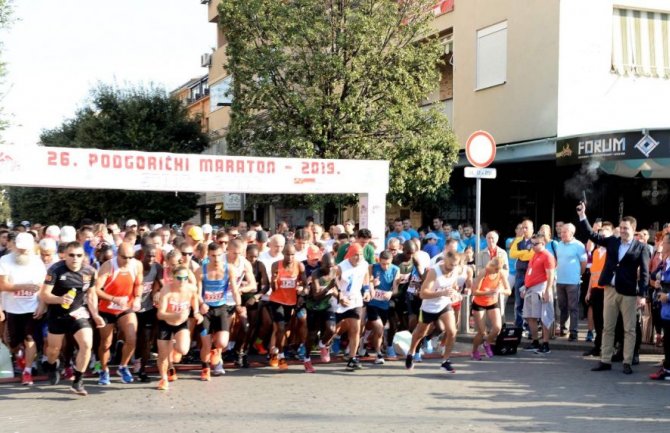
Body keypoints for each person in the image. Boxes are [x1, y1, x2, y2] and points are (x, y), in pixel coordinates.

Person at [578, 203, 650, 375]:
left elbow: (646, 273)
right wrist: (583, 216)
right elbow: (591, 234)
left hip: (629, 293)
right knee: (607, 327)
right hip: (610, 290)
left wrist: (642, 295)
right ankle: (605, 360)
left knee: (629, 329)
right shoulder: (612, 241)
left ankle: (627, 361)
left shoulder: (642, 248)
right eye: (621, 228)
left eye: (626, 228)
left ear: (634, 229)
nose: (623, 231)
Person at [40, 241, 103, 396]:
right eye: (71, 255)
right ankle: (52, 365)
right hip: (57, 314)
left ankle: (78, 381)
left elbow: (91, 294)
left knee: (87, 343)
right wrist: (60, 299)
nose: (75, 258)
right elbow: (44, 295)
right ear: (64, 256)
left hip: (77, 312)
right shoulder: (55, 270)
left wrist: (95, 315)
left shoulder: (90, 271)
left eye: (79, 255)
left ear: (83, 256)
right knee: (53, 350)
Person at [0, 233, 47, 385]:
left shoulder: (37, 262)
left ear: (32, 247)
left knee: (30, 338)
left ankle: (27, 371)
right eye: (20, 249)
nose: (22, 252)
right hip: (12, 308)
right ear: (14, 246)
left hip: (32, 307)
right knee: (12, 342)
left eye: (26, 249)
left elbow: (43, 288)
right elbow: (2, 285)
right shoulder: (5, 261)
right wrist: (22, 287)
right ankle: (18, 354)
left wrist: (42, 305)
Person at [94, 242, 144, 385]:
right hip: (106, 308)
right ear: (117, 255)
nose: (127, 261)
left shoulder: (136, 265)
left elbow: (138, 284)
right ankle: (103, 370)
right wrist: (114, 298)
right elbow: (96, 290)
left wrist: (138, 298)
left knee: (132, 338)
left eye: (130, 257)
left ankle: (123, 366)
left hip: (125, 307)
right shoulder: (108, 266)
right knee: (105, 344)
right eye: (124, 257)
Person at [405, 251, 459, 373]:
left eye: (455, 265)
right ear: (445, 261)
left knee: (452, 331)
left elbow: (454, 285)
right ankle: (411, 353)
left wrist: (455, 292)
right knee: (420, 333)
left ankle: (445, 361)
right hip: (428, 307)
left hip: (444, 304)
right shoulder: (434, 272)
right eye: (450, 265)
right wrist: (442, 293)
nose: (452, 268)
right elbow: (423, 294)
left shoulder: (455, 270)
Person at [195, 242, 239, 380]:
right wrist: (201, 304)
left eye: (219, 255)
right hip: (206, 310)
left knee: (222, 343)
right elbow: (196, 292)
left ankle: (215, 351)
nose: (217, 259)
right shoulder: (201, 270)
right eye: (213, 256)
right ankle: (205, 368)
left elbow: (235, 290)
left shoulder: (229, 269)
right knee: (205, 344)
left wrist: (239, 305)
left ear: (223, 254)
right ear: (208, 255)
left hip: (221, 308)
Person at [156, 265, 203, 391]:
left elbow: (194, 299)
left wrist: (197, 312)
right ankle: (164, 378)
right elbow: (160, 315)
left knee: (183, 350)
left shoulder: (191, 288)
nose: (182, 281)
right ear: (172, 277)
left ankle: (174, 345)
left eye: (185, 278)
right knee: (163, 355)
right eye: (179, 278)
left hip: (181, 324)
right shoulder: (166, 290)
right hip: (166, 323)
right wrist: (175, 314)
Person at [268, 244, 307, 370]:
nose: (290, 257)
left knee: (285, 330)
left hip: (291, 302)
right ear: (283, 254)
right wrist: (273, 281)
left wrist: (302, 292)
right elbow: (273, 289)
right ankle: (281, 356)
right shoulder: (276, 265)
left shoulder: (299, 266)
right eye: (287, 254)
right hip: (277, 301)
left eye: (292, 254)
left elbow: (305, 284)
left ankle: (274, 353)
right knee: (280, 328)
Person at [334, 243, 370, 371]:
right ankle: (325, 343)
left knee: (356, 329)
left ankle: (352, 358)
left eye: (360, 254)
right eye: (356, 255)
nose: (358, 257)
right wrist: (340, 297)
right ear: (349, 255)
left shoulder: (364, 264)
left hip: (355, 300)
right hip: (340, 300)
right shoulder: (341, 267)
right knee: (332, 330)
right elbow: (332, 283)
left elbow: (365, 276)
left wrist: (366, 290)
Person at [471, 257, 511, 360]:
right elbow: (475, 292)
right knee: (481, 332)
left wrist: (500, 290)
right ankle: (474, 350)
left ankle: (487, 343)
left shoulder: (500, 273)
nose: (497, 271)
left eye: (499, 269)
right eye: (496, 269)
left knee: (497, 328)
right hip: (479, 303)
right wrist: (488, 292)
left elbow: (508, 291)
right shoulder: (484, 272)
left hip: (492, 302)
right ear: (492, 266)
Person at [522, 233, 555, 354]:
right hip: (530, 289)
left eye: (536, 244)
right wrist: (525, 287)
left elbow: (550, 275)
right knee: (530, 316)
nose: (533, 246)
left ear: (543, 243)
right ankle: (535, 341)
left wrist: (547, 291)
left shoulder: (547, 256)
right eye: (532, 243)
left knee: (544, 316)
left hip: (541, 288)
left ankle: (545, 343)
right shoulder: (534, 255)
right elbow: (530, 273)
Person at [583, 222, 613, 357]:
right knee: (597, 319)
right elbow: (593, 274)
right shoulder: (595, 252)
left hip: (606, 289)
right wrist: (589, 291)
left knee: (606, 321)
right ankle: (598, 346)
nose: (601, 238)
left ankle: (607, 348)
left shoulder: (611, 252)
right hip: (595, 289)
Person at [304, 252, 338, 371]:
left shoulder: (334, 272)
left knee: (332, 329)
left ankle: (323, 344)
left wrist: (339, 296)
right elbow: (317, 294)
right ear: (321, 264)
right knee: (312, 334)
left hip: (328, 304)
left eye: (332, 266)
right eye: (327, 266)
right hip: (314, 305)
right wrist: (329, 288)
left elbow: (336, 289)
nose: (329, 269)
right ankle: (307, 359)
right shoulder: (316, 274)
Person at [555, 223, 587, 341]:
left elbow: (583, 263)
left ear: (572, 233)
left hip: (573, 281)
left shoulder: (578, 245)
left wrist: (578, 274)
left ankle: (574, 331)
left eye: (564, 232)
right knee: (562, 306)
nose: (562, 234)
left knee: (573, 307)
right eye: (561, 232)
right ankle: (564, 328)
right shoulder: (559, 244)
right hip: (560, 280)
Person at [135, 245, 162, 382]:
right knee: (132, 338)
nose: (151, 259)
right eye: (148, 256)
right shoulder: (134, 267)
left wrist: (157, 292)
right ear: (141, 255)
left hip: (147, 308)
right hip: (131, 308)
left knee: (146, 339)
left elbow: (163, 283)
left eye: (153, 256)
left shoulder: (157, 267)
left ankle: (142, 369)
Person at [367, 251, 399, 364]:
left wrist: (391, 293)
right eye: (383, 264)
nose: (385, 266)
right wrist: (372, 285)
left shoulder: (395, 269)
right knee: (379, 328)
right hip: (372, 303)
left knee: (378, 331)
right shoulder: (372, 267)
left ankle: (366, 341)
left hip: (384, 304)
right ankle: (378, 354)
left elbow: (395, 288)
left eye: (388, 264)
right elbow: (368, 281)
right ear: (379, 260)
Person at [649, 233, 670, 380]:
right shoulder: (665, 261)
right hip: (665, 310)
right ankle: (667, 366)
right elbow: (653, 275)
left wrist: (668, 296)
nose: (662, 244)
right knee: (667, 339)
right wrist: (657, 283)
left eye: (665, 242)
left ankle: (668, 369)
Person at [510, 219, 534, 329]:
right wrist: (525, 253)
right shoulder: (517, 240)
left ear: (532, 229)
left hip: (531, 274)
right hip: (520, 274)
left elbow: (532, 255)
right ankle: (519, 325)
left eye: (526, 227)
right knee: (518, 302)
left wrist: (521, 254)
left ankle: (530, 327)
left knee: (530, 301)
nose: (523, 230)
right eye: (522, 227)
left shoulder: (535, 241)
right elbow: (512, 254)